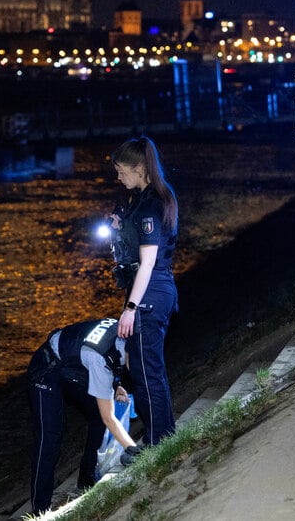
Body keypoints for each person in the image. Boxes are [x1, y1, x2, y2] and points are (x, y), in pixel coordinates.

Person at [28, 317, 139, 514]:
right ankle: (39, 511)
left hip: (75, 364)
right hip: (47, 366)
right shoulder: (101, 357)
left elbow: (110, 363)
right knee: (49, 440)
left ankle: (87, 479)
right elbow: (109, 417)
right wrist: (134, 450)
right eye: (138, 364)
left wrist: (115, 385)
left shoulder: (125, 334)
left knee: (97, 415)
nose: (141, 370)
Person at [110, 136, 178, 445]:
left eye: (122, 171)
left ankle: (159, 441)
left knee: (146, 372)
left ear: (140, 168)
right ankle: (161, 436)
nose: (119, 177)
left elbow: (148, 263)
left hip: (150, 293)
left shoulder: (150, 205)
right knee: (143, 367)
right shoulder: (146, 199)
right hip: (152, 291)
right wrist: (121, 227)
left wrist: (131, 308)